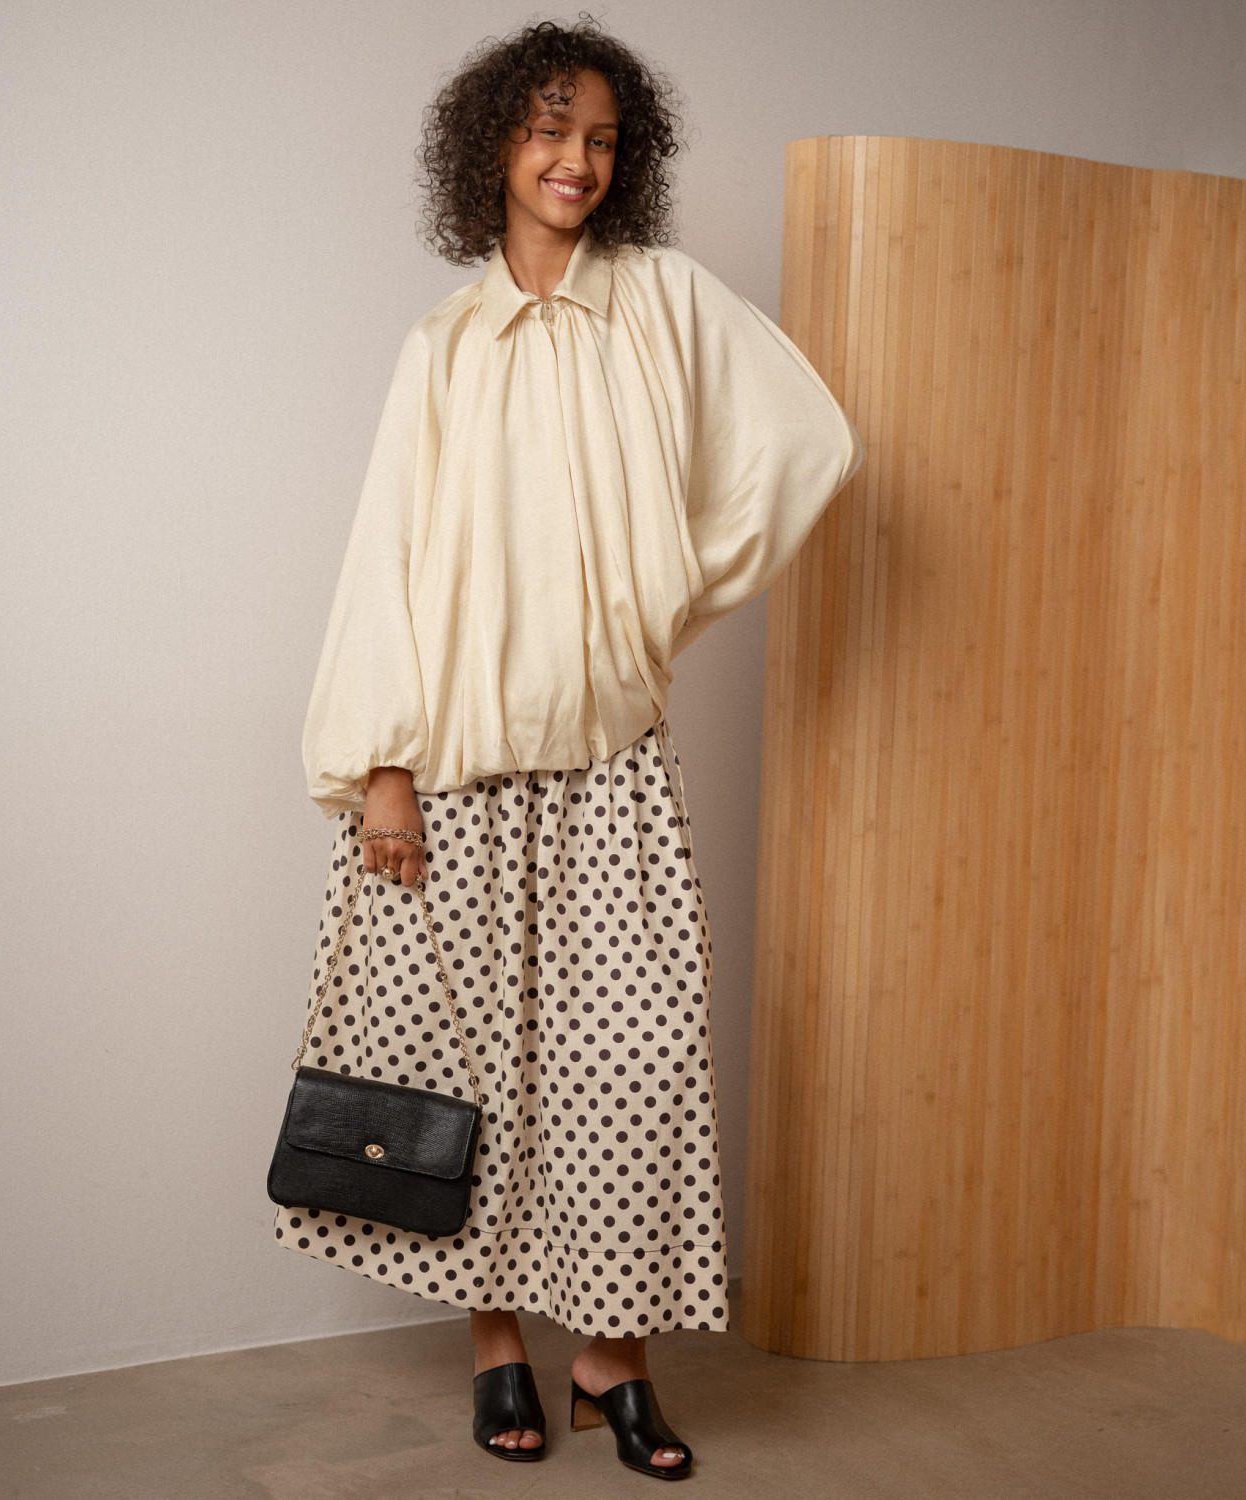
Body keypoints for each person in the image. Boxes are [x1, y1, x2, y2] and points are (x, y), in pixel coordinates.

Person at [275, 15, 864, 1481]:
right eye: (551, 130)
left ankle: (614, 1361)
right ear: (496, 143)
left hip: (610, 766)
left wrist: (660, 601)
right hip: (453, 772)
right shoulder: (444, 347)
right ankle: (496, 1344)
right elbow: (387, 560)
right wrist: (383, 767)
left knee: (635, 1066)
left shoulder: (660, 300)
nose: (577, 160)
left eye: (602, 138)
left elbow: (810, 444)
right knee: (475, 1071)